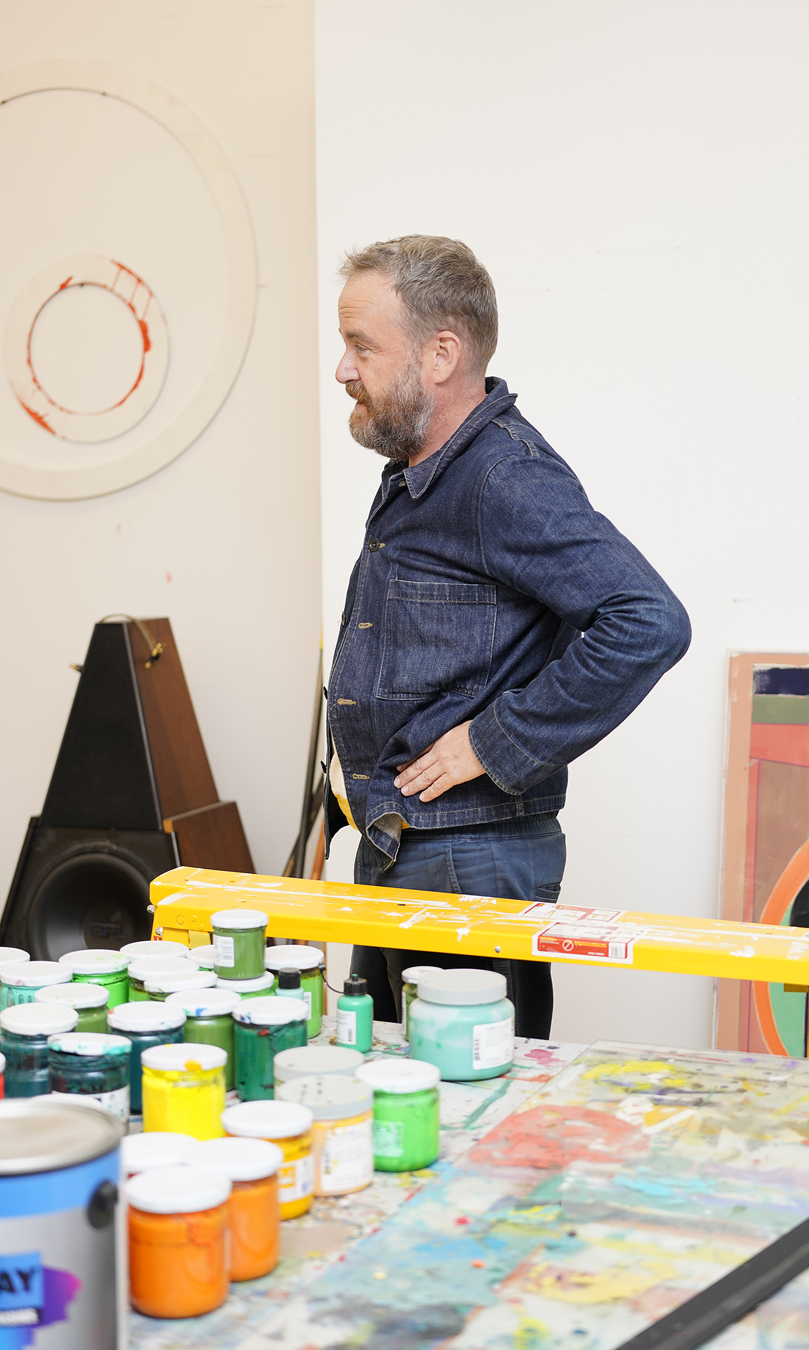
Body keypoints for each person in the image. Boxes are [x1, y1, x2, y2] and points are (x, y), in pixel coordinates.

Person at [325, 235, 690, 1038]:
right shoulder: (426, 472)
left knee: (469, 1116)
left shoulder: (501, 477)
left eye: (361, 344)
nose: (343, 368)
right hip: (407, 846)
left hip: (465, 860)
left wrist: (492, 742)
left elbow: (646, 622)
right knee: (399, 1103)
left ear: (441, 353)